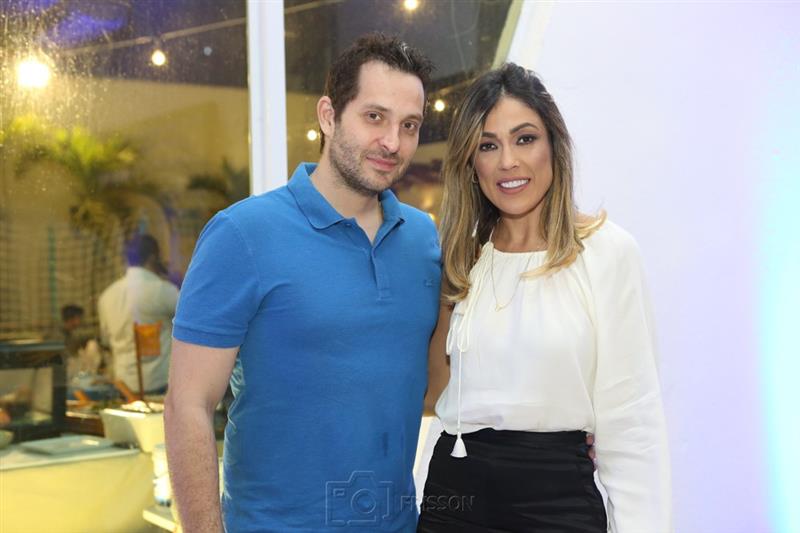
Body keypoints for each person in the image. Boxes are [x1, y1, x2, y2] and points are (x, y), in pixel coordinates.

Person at [165, 34, 441, 532]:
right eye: (374, 117)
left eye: (409, 125)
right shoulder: (242, 234)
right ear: (329, 116)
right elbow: (188, 405)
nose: (392, 142)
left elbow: (437, 382)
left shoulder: (423, 239)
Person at [418, 63, 671, 532]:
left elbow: (633, 423)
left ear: (554, 144)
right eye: (488, 145)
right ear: (471, 163)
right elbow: (434, 392)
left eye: (525, 138)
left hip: (557, 505)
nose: (508, 161)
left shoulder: (606, 253)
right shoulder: (462, 257)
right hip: (453, 501)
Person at [98, 233, 178, 395]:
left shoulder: (107, 296)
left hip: (124, 388)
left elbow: (105, 340)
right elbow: (194, 327)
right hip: (160, 383)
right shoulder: (163, 291)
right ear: (153, 257)